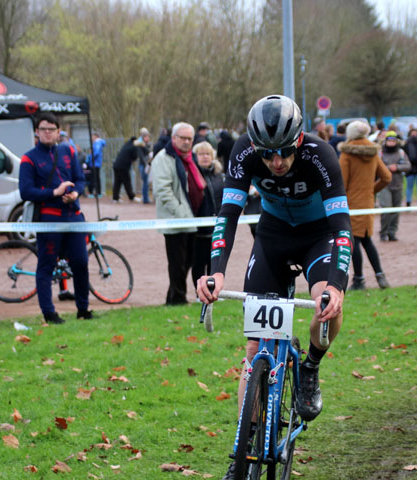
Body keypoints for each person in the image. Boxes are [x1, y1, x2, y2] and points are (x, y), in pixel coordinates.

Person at [195, 95, 351, 480]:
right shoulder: (242, 153)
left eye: (283, 153)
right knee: (253, 350)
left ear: (298, 140)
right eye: (267, 155)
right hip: (273, 239)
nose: (276, 163)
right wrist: (215, 272)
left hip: (319, 239)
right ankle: (242, 451)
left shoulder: (322, 155)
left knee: (325, 306)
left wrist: (337, 286)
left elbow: (342, 229)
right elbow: (226, 216)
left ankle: (310, 366)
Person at [19, 112, 91, 324]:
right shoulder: (29, 158)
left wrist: (75, 193)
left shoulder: (68, 150)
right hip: (49, 218)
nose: (48, 133)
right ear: (36, 132)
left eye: (52, 129)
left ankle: (83, 309)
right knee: (46, 265)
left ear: (59, 132)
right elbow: (26, 191)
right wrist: (54, 193)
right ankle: (49, 313)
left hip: (74, 215)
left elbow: (79, 179)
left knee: (80, 262)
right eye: (43, 129)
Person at [151, 122, 202, 305]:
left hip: (191, 219)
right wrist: (181, 212)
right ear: (174, 138)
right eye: (183, 138)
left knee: (188, 261)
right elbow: (163, 191)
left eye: (190, 138)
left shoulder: (190, 158)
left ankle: (172, 297)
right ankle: (178, 299)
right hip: (175, 221)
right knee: (177, 263)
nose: (187, 142)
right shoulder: (163, 159)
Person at [338, 120, 392, 290]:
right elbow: (387, 177)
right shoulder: (374, 152)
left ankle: (359, 279)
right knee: (367, 240)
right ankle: (380, 275)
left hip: (351, 204)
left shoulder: (347, 154)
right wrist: (371, 191)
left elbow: (342, 183)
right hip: (368, 203)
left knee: (354, 242)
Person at [191, 141, 224, 287]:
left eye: (208, 154)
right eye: (201, 154)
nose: (205, 157)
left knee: (215, 260)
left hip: (217, 225)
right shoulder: (193, 174)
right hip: (199, 227)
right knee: (199, 261)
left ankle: (212, 288)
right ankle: (199, 291)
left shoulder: (219, 175)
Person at [378, 131, 411, 241]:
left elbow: (408, 165)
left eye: (393, 141)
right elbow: (376, 167)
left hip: (398, 184)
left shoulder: (401, 152)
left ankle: (392, 232)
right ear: (386, 141)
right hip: (384, 185)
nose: (391, 143)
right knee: (386, 209)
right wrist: (387, 168)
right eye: (389, 140)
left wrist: (397, 167)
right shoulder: (380, 153)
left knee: (396, 211)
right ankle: (383, 232)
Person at [112, 136, 144, 203]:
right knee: (127, 182)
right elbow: (135, 156)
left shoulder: (126, 144)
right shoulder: (134, 146)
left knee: (117, 182)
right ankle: (131, 197)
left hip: (116, 165)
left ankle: (115, 198)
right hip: (123, 166)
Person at [137, 127, 153, 203]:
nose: (148, 138)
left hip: (145, 165)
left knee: (146, 182)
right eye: (147, 136)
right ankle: (145, 198)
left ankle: (145, 197)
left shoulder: (145, 145)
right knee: (145, 182)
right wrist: (146, 165)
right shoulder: (140, 145)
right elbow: (141, 156)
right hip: (143, 165)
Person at [88, 131, 106, 197]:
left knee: (95, 178)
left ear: (95, 136)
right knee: (96, 178)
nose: (91, 138)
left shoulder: (98, 142)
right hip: (95, 163)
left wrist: (90, 157)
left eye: (92, 136)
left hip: (95, 163)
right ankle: (97, 192)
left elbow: (96, 152)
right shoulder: (97, 143)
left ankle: (97, 193)